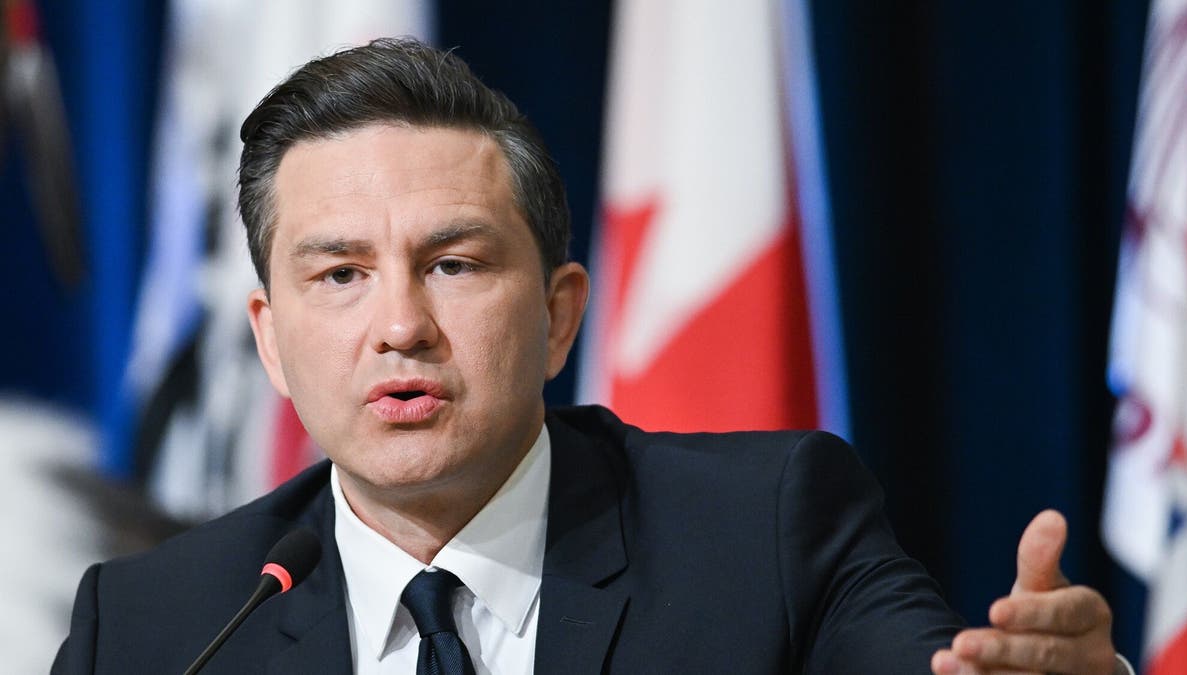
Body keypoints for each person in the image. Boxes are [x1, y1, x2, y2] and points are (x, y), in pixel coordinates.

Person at [54, 37, 1128, 674]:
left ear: (562, 315)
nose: (400, 326)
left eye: (455, 264)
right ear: (270, 343)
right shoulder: (158, 628)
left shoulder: (767, 533)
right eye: (339, 275)